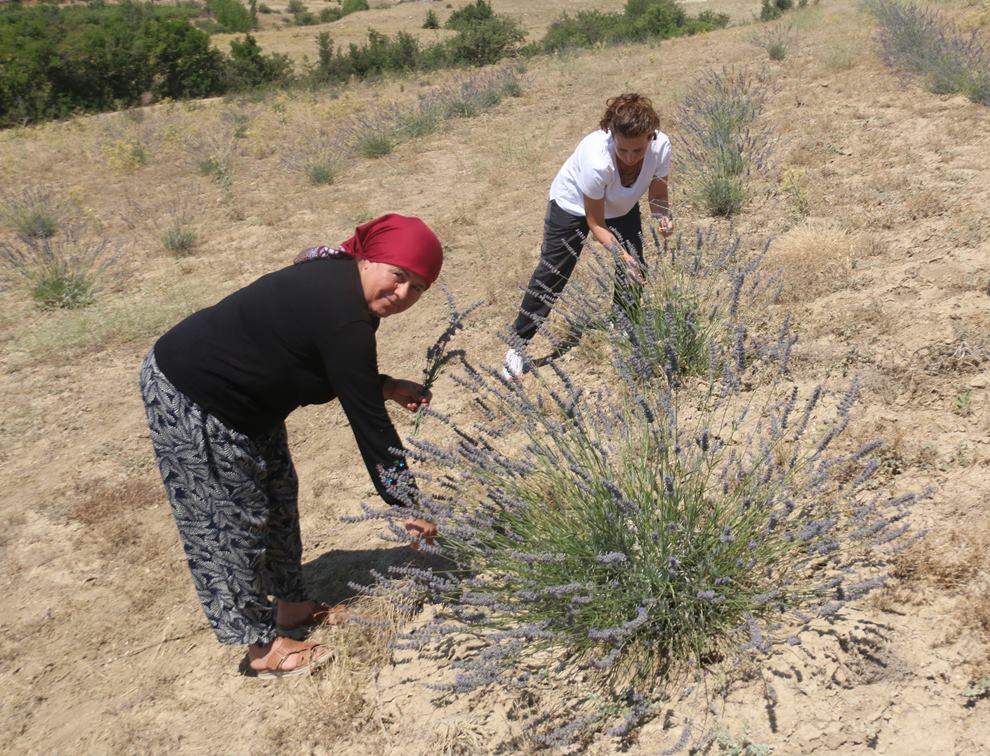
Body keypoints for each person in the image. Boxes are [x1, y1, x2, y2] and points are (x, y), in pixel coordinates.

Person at [140, 214, 441, 679]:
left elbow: (327, 365)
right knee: (225, 520)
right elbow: (369, 424)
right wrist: (407, 500)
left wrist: (384, 384)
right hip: (193, 392)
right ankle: (260, 647)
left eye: (417, 288)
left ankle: (293, 608)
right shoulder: (343, 313)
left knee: (278, 500)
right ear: (369, 258)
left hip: (250, 404)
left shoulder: (346, 290)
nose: (402, 294)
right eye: (398, 276)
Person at [503, 93, 675, 379]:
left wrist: (663, 217)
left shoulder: (661, 147)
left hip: (621, 205)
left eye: (638, 151)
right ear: (611, 135)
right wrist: (621, 255)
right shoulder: (597, 161)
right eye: (623, 151)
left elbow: (657, 193)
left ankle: (620, 323)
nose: (631, 159)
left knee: (635, 268)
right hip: (573, 205)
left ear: (650, 137)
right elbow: (595, 222)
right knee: (553, 272)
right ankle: (518, 345)